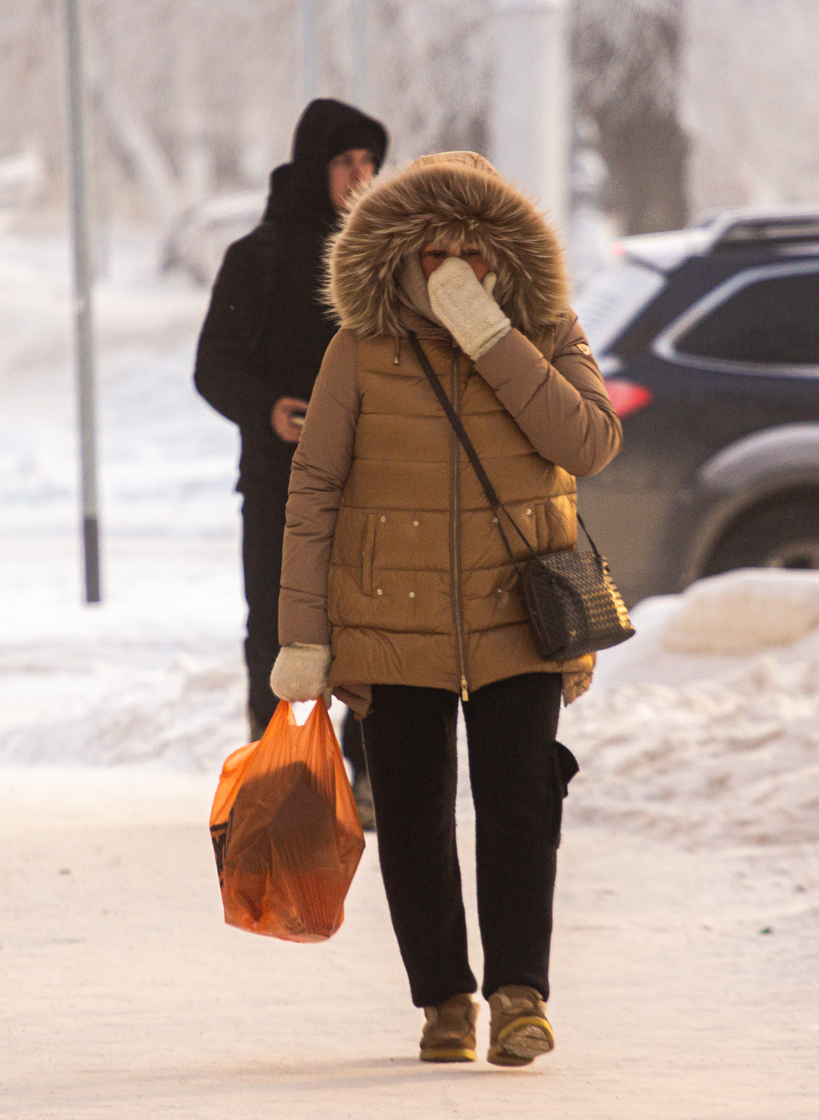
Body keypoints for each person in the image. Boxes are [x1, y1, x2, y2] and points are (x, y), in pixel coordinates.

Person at [272, 151, 622, 1067]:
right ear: (401, 253)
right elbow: (314, 487)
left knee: (520, 808)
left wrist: (492, 337)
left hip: (520, 617)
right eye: (438, 251)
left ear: (506, 251)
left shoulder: (545, 329)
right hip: (390, 619)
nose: (457, 264)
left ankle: (519, 994)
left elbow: (588, 441)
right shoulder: (361, 347)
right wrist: (304, 634)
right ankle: (442, 999)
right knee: (416, 819)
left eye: (475, 247)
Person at [194, 97, 387, 814]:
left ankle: (367, 776)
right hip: (280, 484)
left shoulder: (382, 261)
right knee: (277, 632)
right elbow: (214, 366)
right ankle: (282, 773)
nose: (361, 176)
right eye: (346, 162)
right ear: (316, 168)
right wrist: (269, 409)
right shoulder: (260, 259)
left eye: (370, 162)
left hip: (370, 484)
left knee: (370, 631)